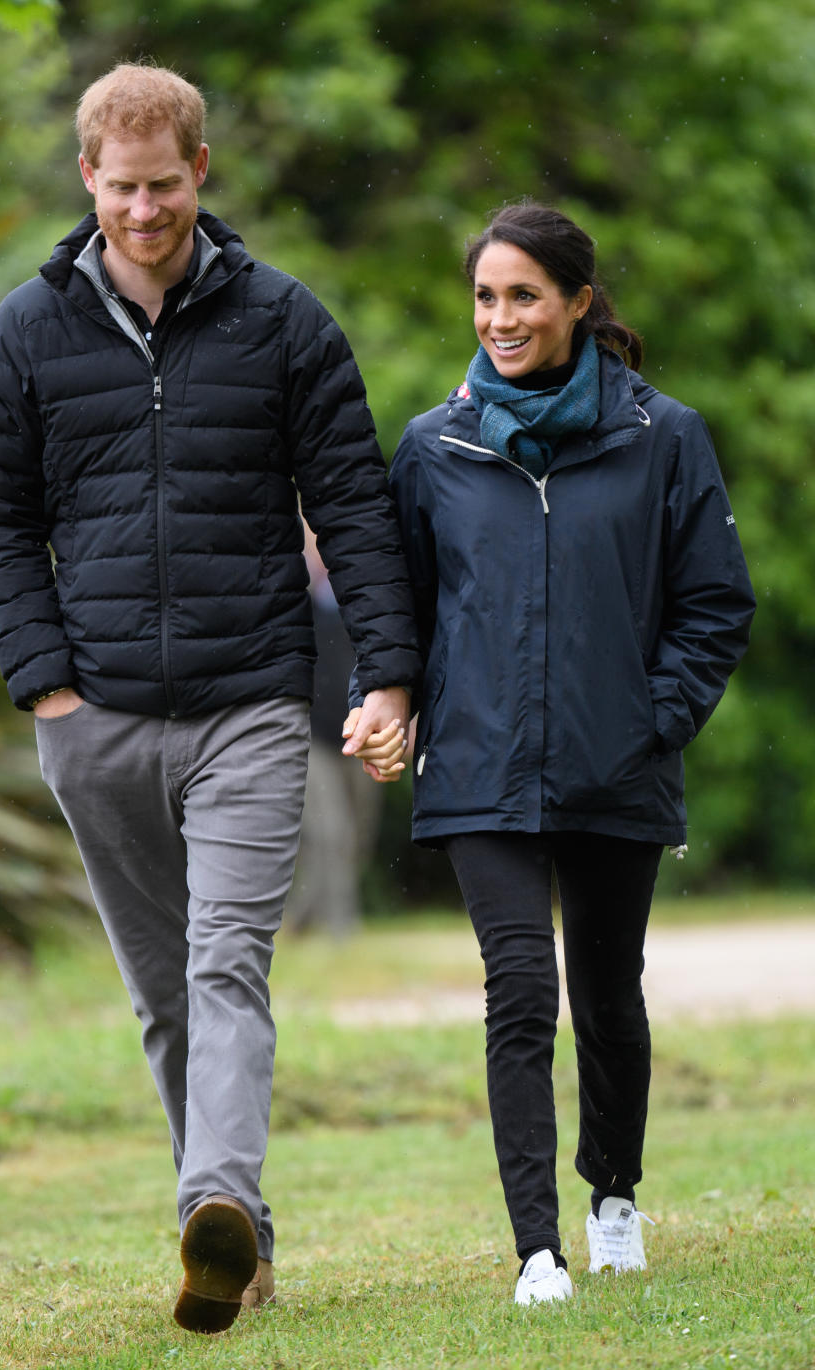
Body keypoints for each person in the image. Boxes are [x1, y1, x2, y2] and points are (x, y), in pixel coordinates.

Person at [0, 62, 418, 1335]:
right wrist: (43, 682)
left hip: (250, 706)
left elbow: (357, 510)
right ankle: (242, 1243)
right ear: (87, 181)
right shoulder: (28, 331)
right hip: (92, 715)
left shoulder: (285, 323)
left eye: (165, 186)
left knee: (226, 965)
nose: (144, 211)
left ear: (201, 173)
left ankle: (210, 1195)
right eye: (122, 189)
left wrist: (386, 672)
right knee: (165, 991)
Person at [347, 201, 755, 1305]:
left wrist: (650, 719)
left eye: (523, 294)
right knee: (520, 992)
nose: (500, 317)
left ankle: (612, 1190)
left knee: (607, 997)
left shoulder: (663, 436)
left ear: (578, 301)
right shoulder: (435, 446)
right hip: (480, 769)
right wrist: (381, 699)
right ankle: (537, 1245)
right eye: (485, 296)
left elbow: (715, 603)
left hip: (616, 764)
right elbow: (398, 609)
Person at [285, 521, 384, 938]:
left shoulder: (359, 599)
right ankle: (340, 931)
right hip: (310, 736)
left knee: (357, 835)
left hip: (359, 732)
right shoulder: (293, 600)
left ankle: (299, 921)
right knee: (330, 832)